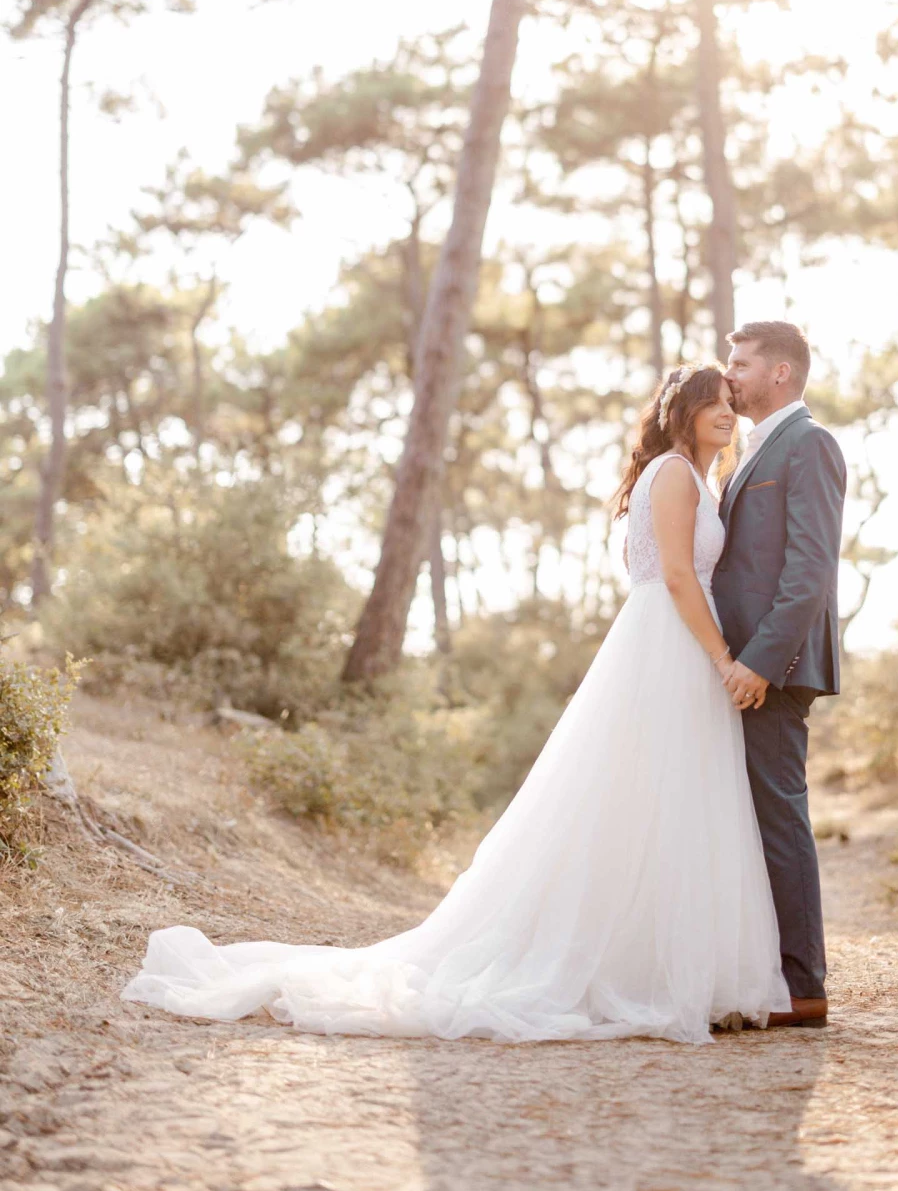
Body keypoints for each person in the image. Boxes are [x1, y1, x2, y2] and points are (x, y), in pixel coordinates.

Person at [121, 365, 791, 1044]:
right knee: (655, 800)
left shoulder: (699, 479)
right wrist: (723, 659)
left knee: (667, 804)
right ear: (682, 411)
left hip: (671, 644)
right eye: (711, 403)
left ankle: (672, 967)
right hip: (671, 646)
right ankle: (641, 971)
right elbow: (677, 575)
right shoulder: (675, 474)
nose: (726, 413)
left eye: (730, 403)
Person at [717, 321, 846, 1028]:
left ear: (781, 374)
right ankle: (761, 971)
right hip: (735, 664)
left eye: (740, 363)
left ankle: (804, 987)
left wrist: (761, 664)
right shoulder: (748, 451)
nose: (727, 374)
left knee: (778, 818)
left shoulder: (810, 445)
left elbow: (808, 574)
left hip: (773, 666)